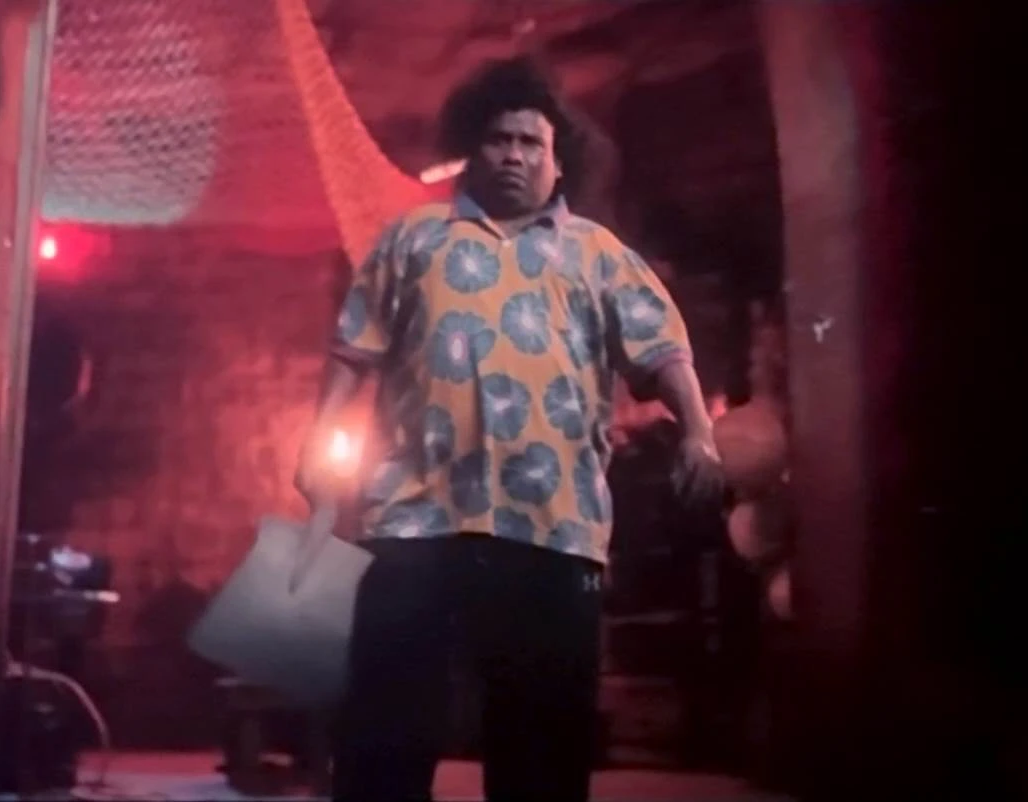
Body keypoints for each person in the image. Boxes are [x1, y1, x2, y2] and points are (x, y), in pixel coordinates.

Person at [293, 56, 723, 802]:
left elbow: (664, 350)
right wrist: (317, 440)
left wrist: (698, 434)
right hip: (417, 519)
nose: (515, 155)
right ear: (473, 148)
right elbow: (354, 349)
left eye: (532, 143)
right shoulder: (412, 240)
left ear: (559, 161)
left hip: (550, 528)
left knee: (542, 742)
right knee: (385, 733)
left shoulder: (595, 254)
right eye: (499, 139)